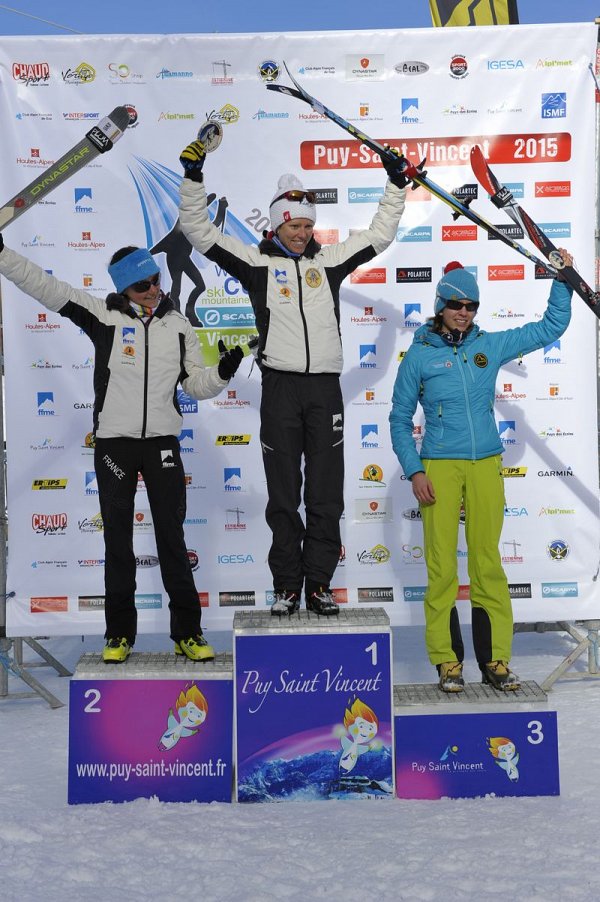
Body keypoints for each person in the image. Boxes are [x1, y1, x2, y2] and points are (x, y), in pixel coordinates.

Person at [177, 137, 407, 616]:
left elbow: (379, 235)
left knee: (325, 493)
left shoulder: (329, 263)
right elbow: (199, 232)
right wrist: (194, 179)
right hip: (280, 389)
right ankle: (286, 586)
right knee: (283, 495)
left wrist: (395, 184)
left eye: (306, 226)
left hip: (324, 389)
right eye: (292, 225)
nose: (300, 233)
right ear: (279, 223)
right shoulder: (258, 264)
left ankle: (319, 584)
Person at [0, 236, 243, 663]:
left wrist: (221, 373)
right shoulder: (103, 316)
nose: (153, 290)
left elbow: (193, 385)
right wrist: (1, 254)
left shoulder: (178, 324)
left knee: (172, 537)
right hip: (114, 445)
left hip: (162, 443)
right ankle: (118, 635)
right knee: (118, 541)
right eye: (142, 286)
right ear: (123, 290)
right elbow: (43, 285)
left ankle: (187, 631)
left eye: (155, 280)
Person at [389, 256, 573, 692]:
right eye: (456, 303)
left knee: (488, 564)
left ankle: (496, 662)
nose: (464, 311)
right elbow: (399, 418)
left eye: (471, 304)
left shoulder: (488, 347)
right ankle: (447, 662)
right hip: (438, 465)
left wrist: (561, 282)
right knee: (441, 569)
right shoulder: (418, 356)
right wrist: (415, 471)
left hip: (487, 463)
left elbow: (549, 328)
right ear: (441, 305)